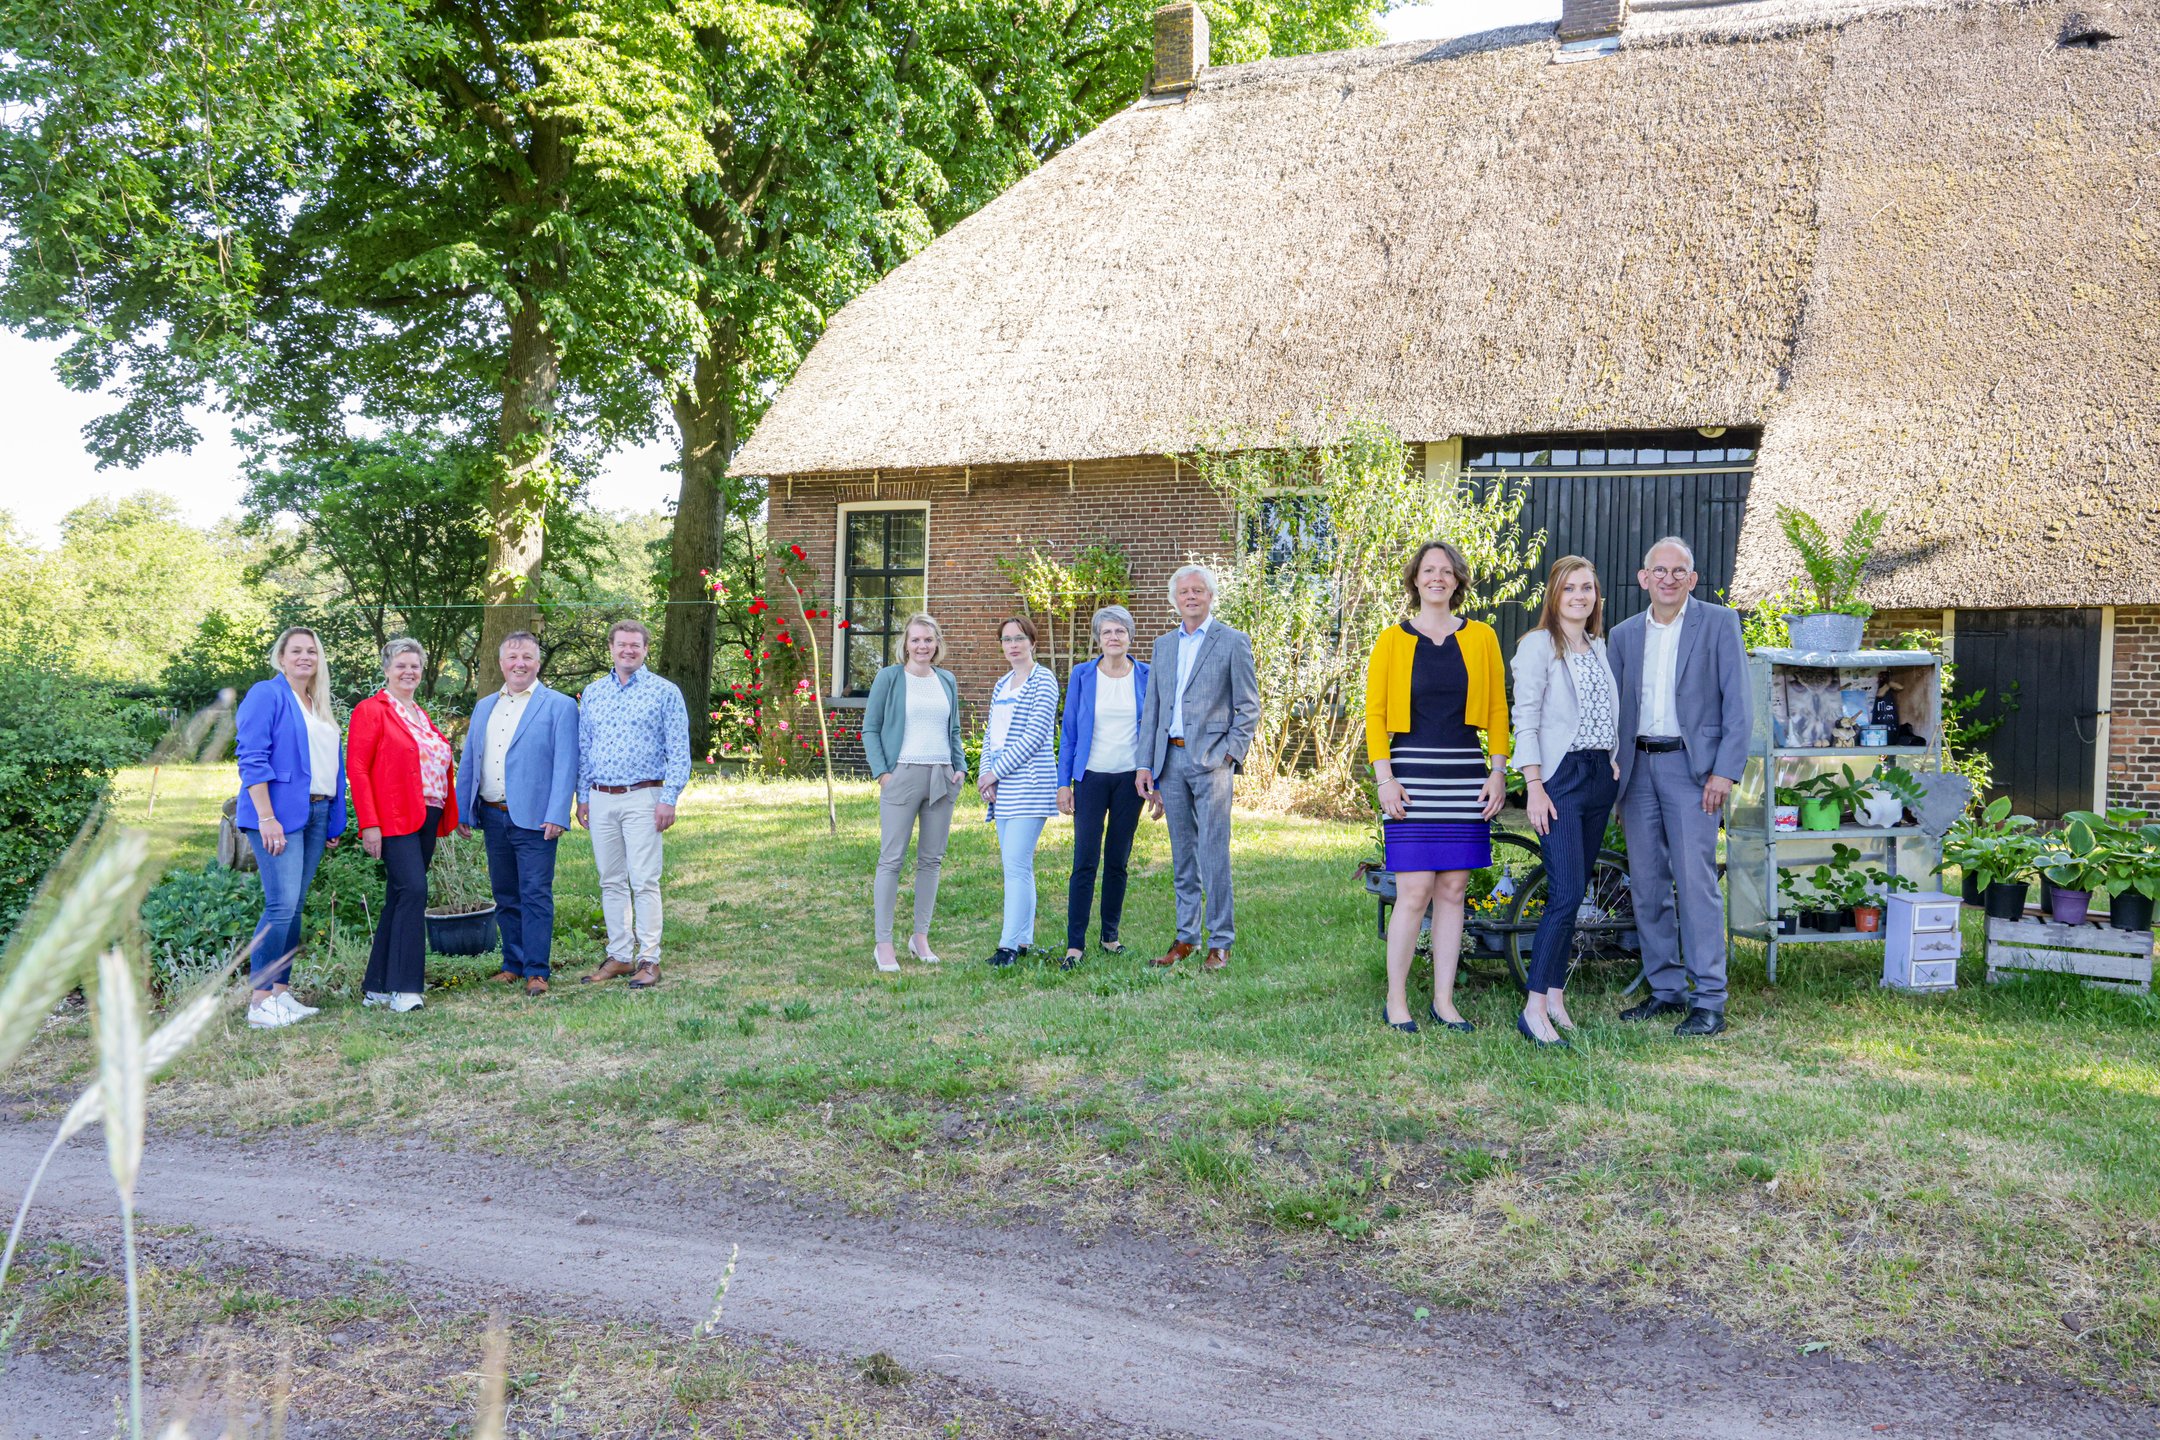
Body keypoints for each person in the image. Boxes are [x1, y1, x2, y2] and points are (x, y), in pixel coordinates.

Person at [1607, 536, 1752, 1037]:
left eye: (1679, 571)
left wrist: (1725, 772)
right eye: (1659, 570)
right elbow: (1616, 714)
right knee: (1647, 887)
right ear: (1643, 578)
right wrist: (1618, 779)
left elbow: (1738, 706)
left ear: (1692, 580)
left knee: (1696, 885)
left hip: (1695, 772)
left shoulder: (1718, 623)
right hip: (1638, 770)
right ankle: (1666, 990)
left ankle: (1709, 999)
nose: (1668, 578)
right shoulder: (1623, 635)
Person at [1364, 541, 1510, 1034]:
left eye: (1446, 572)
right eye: (1429, 571)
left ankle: (1445, 1001)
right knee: (1414, 890)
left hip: (1465, 773)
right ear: (1416, 580)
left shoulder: (1483, 637)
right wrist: (1384, 778)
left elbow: (1496, 712)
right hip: (1410, 774)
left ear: (1458, 581)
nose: (1437, 578)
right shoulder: (1391, 640)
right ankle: (1397, 998)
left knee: (1452, 889)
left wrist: (1497, 771)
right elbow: (1376, 716)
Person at [1509, 557, 1621, 1049]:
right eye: (1570, 588)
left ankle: (1555, 996)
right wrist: (1534, 784)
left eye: (1588, 588)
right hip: (1560, 777)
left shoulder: (1598, 645)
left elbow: (1608, 711)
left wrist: (1613, 761)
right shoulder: (1538, 646)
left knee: (1577, 893)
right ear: (1554, 595)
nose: (1580, 596)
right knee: (1565, 893)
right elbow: (1526, 716)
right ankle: (1533, 1008)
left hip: (1599, 776)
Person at [1135, 565, 1260, 972]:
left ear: (1210, 596)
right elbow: (1152, 709)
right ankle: (1186, 937)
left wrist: (1230, 754)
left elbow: (1248, 706)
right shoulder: (1163, 646)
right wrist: (1145, 764)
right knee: (1182, 853)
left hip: (1211, 762)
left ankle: (1220, 941)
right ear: (1175, 600)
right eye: (1184, 592)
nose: (1191, 597)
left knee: (1212, 852)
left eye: (1198, 591)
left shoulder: (1232, 642)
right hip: (1169, 761)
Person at [232, 627, 348, 1028]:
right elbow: (252, 758)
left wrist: (334, 818)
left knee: (294, 908)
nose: (304, 657)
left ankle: (281, 994)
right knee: (280, 906)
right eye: (295, 650)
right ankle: (260, 1001)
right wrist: (266, 817)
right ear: (280, 658)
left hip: (315, 813)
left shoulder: (317, 703)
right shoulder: (268, 694)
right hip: (276, 817)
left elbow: (331, 766)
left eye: (311, 651)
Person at [455, 631, 579, 997]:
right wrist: (464, 810)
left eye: (526, 657)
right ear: (501, 663)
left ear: (538, 663)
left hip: (537, 819)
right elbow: (470, 760)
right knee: (505, 894)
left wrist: (559, 812)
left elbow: (566, 764)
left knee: (535, 894)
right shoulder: (485, 706)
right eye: (512, 657)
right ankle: (512, 964)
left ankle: (537, 971)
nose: (519, 663)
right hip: (493, 815)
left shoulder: (558, 706)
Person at [577, 619, 691, 990]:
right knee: (610, 880)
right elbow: (584, 749)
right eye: (622, 644)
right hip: (600, 796)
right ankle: (620, 955)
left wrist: (668, 799)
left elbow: (679, 752)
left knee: (643, 880)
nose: (628, 650)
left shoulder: (664, 692)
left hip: (645, 796)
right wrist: (582, 797)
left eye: (635, 645)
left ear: (645, 650)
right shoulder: (593, 693)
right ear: (610, 647)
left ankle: (650, 959)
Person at [347, 638, 459, 1013]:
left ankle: (377, 985)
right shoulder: (371, 710)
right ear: (386, 669)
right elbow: (358, 770)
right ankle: (406, 987)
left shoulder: (420, 714)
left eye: (415, 665)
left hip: (428, 814)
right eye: (401, 665)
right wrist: (369, 825)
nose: (408, 671)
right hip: (393, 817)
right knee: (413, 890)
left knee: (399, 895)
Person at [861, 613, 967, 972]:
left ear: (937, 644)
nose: (923, 646)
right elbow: (870, 729)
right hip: (902, 775)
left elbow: (953, 730)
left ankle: (920, 937)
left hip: (942, 777)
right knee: (891, 860)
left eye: (929, 640)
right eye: (916, 640)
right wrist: (884, 774)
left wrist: (960, 767)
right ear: (905, 644)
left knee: (931, 861)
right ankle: (884, 943)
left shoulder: (947, 680)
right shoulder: (890, 678)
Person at [1056, 606, 1151, 970]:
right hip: (1090, 778)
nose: (1114, 637)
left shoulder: (1145, 674)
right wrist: (1064, 783)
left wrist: (1153, 777)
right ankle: (1075, 946)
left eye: (1120, 631)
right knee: (1084, 861)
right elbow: (1069, 734)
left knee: (1118, 861)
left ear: (1130, 636)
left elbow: (1154, 728)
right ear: (1098, 638)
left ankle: (1109, 937)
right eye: (1107, 632)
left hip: (1130, 779)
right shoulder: (1082, 675)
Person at [978, 617, 1061, 967]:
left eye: (1019, 638)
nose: (1013, 645)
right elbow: (990, 736)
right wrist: (985, 773)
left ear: (1032, 641)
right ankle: (1023, 941)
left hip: (1030, 783)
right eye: (1006, 639)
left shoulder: (1044, 681)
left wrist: (996, 771)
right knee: (1017, 866)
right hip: (1003, 786)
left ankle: (1007, 946)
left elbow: (1033, 737)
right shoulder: (1002, 683)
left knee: (1015, 865)